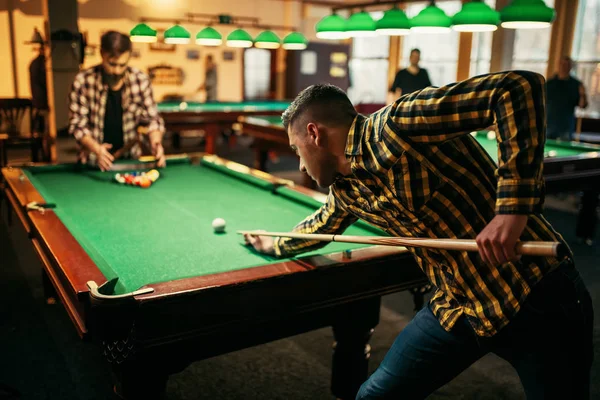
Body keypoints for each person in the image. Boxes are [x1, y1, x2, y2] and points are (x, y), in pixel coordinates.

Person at [244, 72, 593, 399]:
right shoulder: (347, 190)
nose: (301, 165)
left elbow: (516, 89)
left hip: (536, 296)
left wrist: (512, 210)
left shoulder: (400, 123)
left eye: (296, 150)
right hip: (459, 307)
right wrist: (275, 243)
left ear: (314, 134)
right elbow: (321, 226)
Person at [68, 31, 166, 171]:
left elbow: (153, 120)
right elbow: (77, 125)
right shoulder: (83, 81)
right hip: (92, 163)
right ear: (102, 54)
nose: (117, 71)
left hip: (131, 161)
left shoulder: (140, 81)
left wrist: (156, 143)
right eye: (112, 64)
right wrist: (97, 149)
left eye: (122, 65)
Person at [546, 56, 588, 141]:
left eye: (567, 65)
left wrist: (583, 94)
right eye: (562, 64)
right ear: (558, 65)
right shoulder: (549, 83)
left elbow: (582, 105)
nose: (564, 67)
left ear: (570, 67)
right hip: (548, 124)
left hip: (565, 126)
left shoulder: (576, 84)